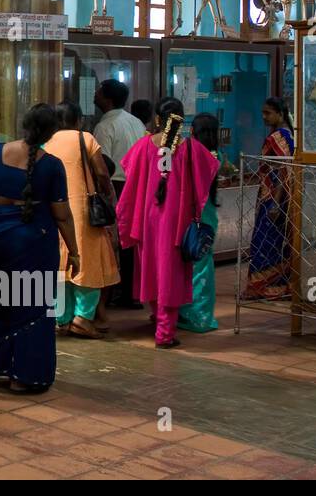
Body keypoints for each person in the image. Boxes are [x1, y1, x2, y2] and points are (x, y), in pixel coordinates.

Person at [0, 103, 78, 394]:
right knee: (32, 309)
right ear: (51, 132)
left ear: (24, 123)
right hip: (34, 242)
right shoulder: (51, 166)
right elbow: (62, 214)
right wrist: (75, 251)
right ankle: (25, 376)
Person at [115, 97, 219, 349]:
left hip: (148, 221)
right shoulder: (191, 148)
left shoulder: (143, 146)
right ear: (181, 120)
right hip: (176, 224)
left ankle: (157, 317)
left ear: (158, 119)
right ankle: (165, 333)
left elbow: (130, 174)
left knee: (152, 270)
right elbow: (211, 168)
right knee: (171, 275)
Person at [48, 101, 120, 338]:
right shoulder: (85, 138)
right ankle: (82, 318)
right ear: (78, 119)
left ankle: (62, 318)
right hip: (82, 210)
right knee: (89, 261)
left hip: (54, 211)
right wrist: (108, 195)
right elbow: (101, 172)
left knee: (60, 263)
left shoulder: (46, 143)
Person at [92, 79, 148, 309]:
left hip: (117, 185)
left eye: (98, 91)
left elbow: (103, 165)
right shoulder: (135, 122)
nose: (94, 94)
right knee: (132, 239)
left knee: (115, 239)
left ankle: (118, 290)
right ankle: (132, 291)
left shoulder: (104, 127)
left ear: (107, 98)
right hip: (138, 184)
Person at [244, 97, 295, 300]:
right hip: (279, 197)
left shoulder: (278, 137)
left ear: (280, 114)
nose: (264, 117)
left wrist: (274, 203)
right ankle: (277, 286)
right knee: (275, 241)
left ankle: (261, 287)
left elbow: (284, 171)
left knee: (264, 241)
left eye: (268, 113)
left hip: (274, 198)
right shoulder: (287, 135)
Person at [178, 112, 222, 333]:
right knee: (202, 266)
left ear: (193, 131)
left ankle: (189, 314)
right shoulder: (215, 156)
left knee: (188, 266)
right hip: (207, 219)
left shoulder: (188, 154)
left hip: (189, 217)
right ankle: (202, 315)